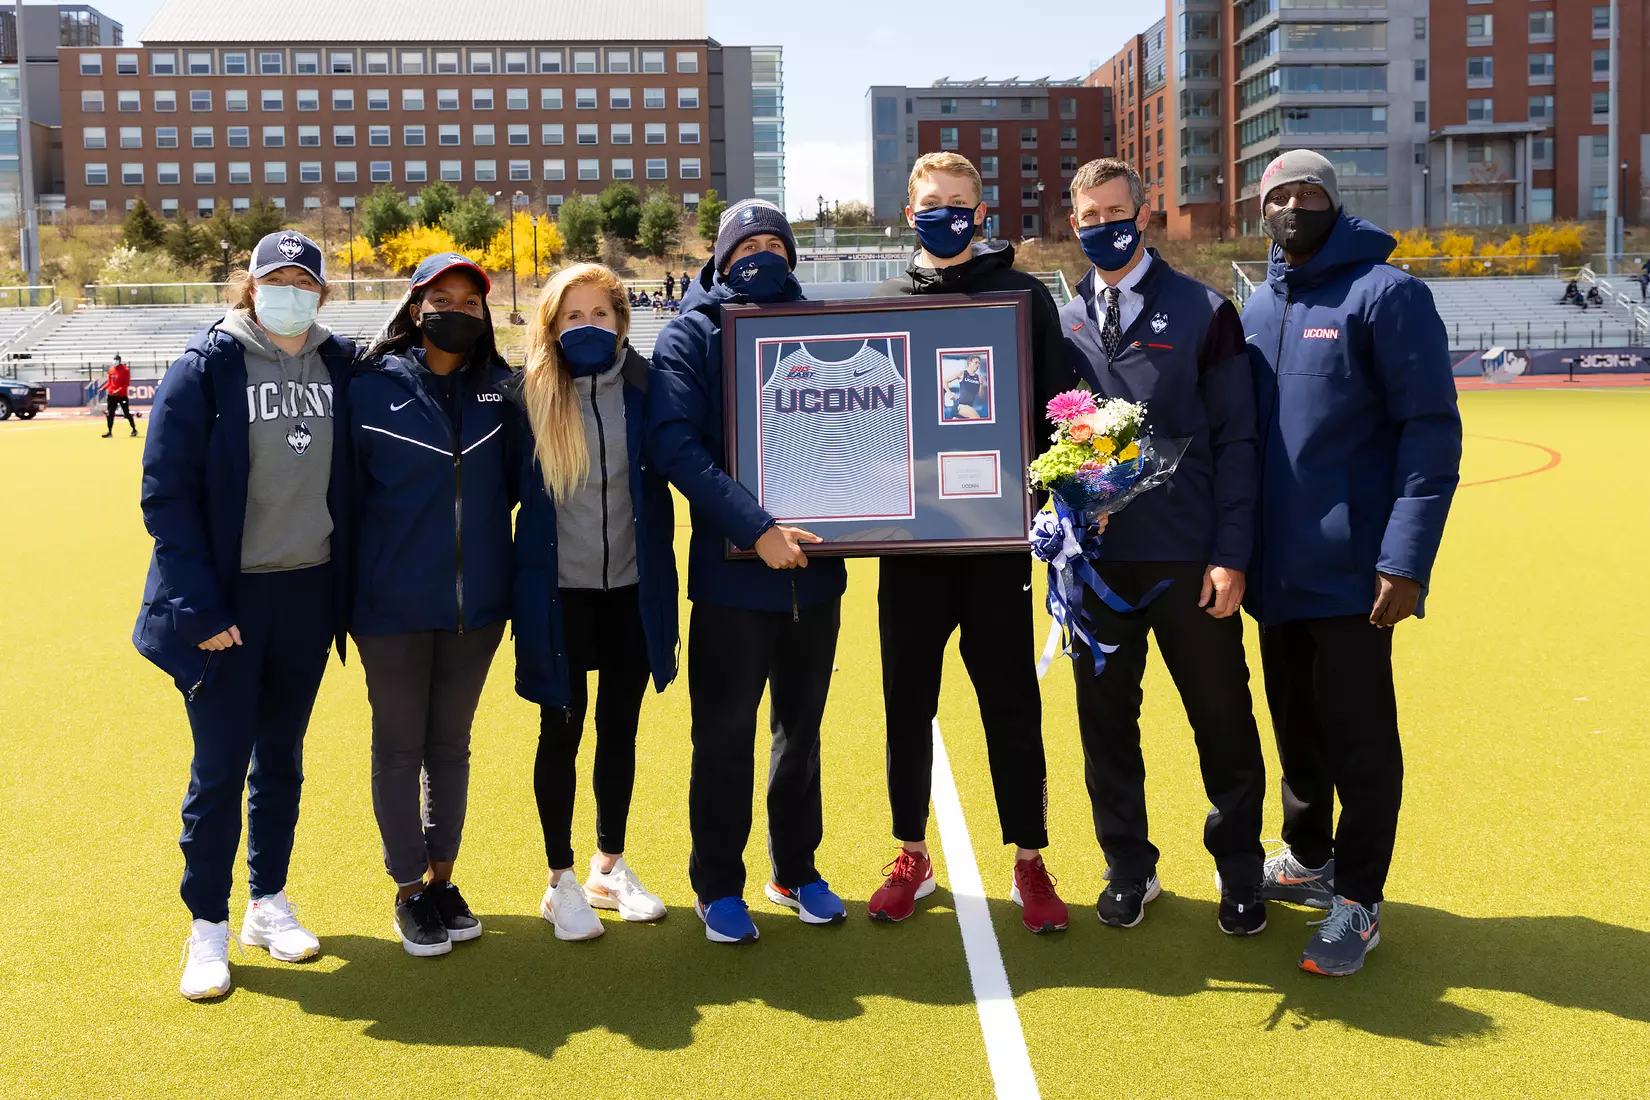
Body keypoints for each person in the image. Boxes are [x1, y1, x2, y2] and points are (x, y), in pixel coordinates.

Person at [1241, 150, 1461, 977]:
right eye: (1280, 197)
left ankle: (1361, 899)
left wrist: (1405, 561)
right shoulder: (1261, 305)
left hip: (1357, 576)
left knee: (1360, 742)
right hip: (1276, 575)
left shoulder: (1389, 294)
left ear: (1335, 202)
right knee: (1295, 727)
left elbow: (1431, 431)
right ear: (1262, 212)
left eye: (1310, 194)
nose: (1295, 206)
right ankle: (1308, 855)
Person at [134, 230, 354, 1000]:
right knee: (220, 767)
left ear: (320, 293)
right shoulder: (208, 365)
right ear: (251, 285)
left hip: (307, 592)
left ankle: (267, 902)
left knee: (282, 761)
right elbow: (165, 492)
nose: (289, 289)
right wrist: (199, 604)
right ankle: (207, 928)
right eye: (275, 277)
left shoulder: (337, 363)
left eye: (303, 279)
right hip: (225, 602)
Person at [1054, 158, 1266, 935]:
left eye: (1116, 211)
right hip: (1098, 568)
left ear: (1142, 215)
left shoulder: (1206, 310)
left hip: (1189, 559)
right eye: (1088, 216)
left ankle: (1240, 868)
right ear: (1072, 225)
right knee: (1105, 724)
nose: (1103, 226)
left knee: (1222, 718)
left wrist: (1232, 553)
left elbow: (1238, 442)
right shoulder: (1062, 320)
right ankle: (1128, 867)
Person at [866, 152, 1075, 934]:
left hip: (993, 546)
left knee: (1011, 706)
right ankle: (911, 854)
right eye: (931, 202)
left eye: (959, 202)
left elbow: (1056, 410)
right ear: (907, 209)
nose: (945, 213)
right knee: (905, 705)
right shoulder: (882, 301)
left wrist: (1054, 503)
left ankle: (1029, 859)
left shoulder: (1021, 297)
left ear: (981, 213)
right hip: (911, 549)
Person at [646, 199, 849, 944]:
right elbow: (675, 447)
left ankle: (795, 870)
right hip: (733, 580)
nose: (761, 254)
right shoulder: (691, 334)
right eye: (747, 244)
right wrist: (755, 528)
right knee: (725, 738)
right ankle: (717, 885)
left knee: (802, 735)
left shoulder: (822, 327)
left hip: (816, 577)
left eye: (774, 242)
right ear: (722, 257)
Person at [349, 253, 517, 958]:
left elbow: (515, 488)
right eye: (441, 298)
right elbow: (345, 496)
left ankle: (444, 880)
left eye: (471, 303)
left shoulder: (505, 394)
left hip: (477, 609)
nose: (457, 310)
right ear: (416, 309)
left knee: (451, 747)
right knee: (400, 748)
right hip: (390, 609)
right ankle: (409, 890)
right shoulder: (367, 388)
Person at [510, 262, 679, 941]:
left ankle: (609, 865)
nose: (587, 326)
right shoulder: (526, 396)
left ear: (621, 321)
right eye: (572, 316)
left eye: (599, 315)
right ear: (551, 325)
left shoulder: (647, 389)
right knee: (562, 732)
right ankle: (561, 882)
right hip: (558, 601)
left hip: (632, 595)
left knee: (620, 729)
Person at [103, 352, 137, 437]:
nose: (115, 361)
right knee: (110, 413)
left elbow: (126, 384)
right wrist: (103, 388)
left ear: (120, 361)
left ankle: (134, 429)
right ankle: (109, 432)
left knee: (126, 413)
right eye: (114, 360)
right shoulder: (111, 370)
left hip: (122, 395)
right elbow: (109, 382)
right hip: (112, 395)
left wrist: (118, 390)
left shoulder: (125, 370)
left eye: (116, 360)